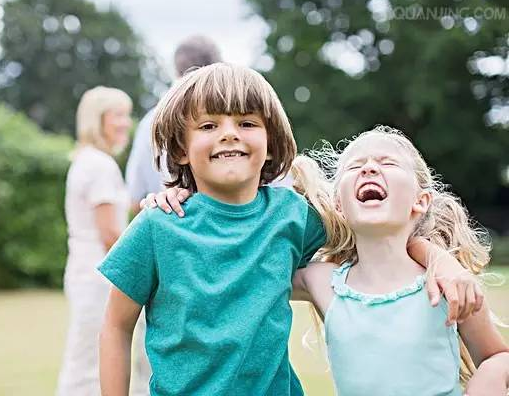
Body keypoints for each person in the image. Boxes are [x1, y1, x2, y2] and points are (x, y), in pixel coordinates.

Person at [97, 64, 480, 395]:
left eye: (246, 123)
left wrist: (440, 261)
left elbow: (378, 236)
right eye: (209, 125)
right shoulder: (158, 226)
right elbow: (116, 326)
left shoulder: (294, 216)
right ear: (181, 149)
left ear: (271, 142)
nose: (229, 134)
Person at [290, 126, 509, 395]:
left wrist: (490, 374)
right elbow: (261, 267)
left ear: (421, 201)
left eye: (387, 162)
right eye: (355, 166)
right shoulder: (323, 282)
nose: (369, 168)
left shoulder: (450, 285)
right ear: (339, 205)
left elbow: (498, 356)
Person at [57, 86, 144, 396]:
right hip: (98, 279)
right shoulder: (98, 164)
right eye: (117, 115)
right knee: (89, 369)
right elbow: (110, 235)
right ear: (97, 120)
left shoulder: (89, 161)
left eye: (126, 115)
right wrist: (147, 268)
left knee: (84, 362)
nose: (125, 123)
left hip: (86, 275)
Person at [125, 35, 222, 215]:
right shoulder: (232, 115)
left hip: (168, 219)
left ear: (176, 69)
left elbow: (134, 195)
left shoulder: (149, 122)